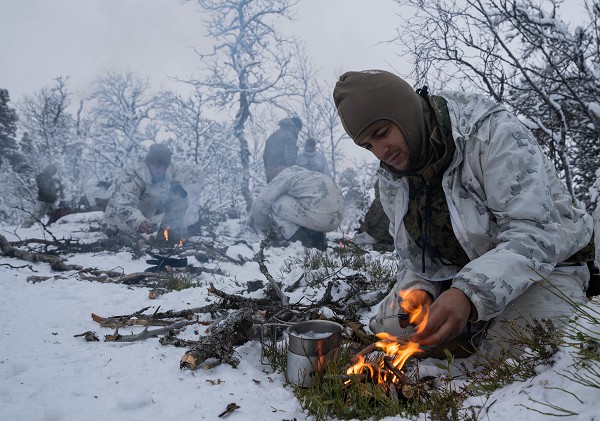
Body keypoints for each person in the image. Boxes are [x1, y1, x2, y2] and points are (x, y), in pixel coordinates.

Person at [333, 69, 595, 358]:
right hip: (457, 278)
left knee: (514, 349)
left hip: (546, 268)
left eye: (382, 133)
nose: (380, 151)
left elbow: (536, 234)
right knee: (390, 327)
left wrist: (469, 294)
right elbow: (413, 256)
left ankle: (484, 335)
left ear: (406, 114)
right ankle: (467, 332)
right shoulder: (394, 178)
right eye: (368, 145)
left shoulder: (491, 133)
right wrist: (419, 289)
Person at [102, 143, 188, 244]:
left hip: (150, 209)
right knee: (130, 241)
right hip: (120, 216)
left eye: (164, 167)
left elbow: (179, 174)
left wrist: (177, 184)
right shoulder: (132, 174)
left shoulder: (170, 165)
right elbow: (123, 205)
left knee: (179, 196)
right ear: (149, 162)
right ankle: (118, 233)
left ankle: (169, 232)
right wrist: (139, 222)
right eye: (157, 166)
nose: (161, 171)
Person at [250, 165, 344, 250]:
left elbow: (259, 204)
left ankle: (302, 241)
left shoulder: (283, 176)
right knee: (307, 203)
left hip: (319, 216)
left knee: (276, 201)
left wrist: (267, 231)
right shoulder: (304, 174)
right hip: (337, 218)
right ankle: (318, 239)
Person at [263, 117, 302, 183]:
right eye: (299, 130)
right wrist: (295, 173)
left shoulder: (272, 136)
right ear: (296, 127)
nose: (298, 132)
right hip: (283, 172)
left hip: (270, 173)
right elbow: (290, 157)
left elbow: (265, 156)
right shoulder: (290, 136)